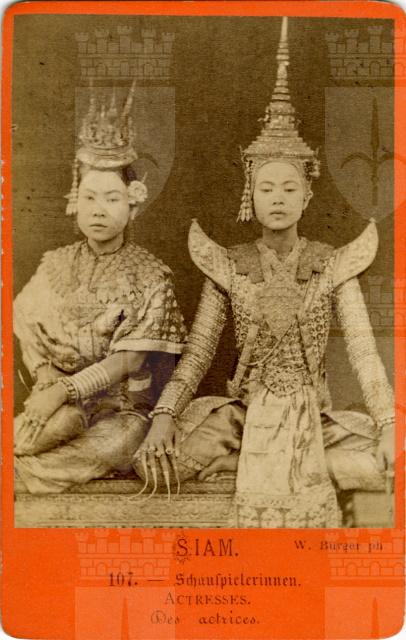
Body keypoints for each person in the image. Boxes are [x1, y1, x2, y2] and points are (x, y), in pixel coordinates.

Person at [134, 18, 394, 528]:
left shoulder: (332, 263)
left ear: (307, 195)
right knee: (156, 462)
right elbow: (198, 354)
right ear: (250, 194)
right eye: (267, 188)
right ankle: (259, 462)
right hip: (245, 412)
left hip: (312, 417)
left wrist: (388, 424)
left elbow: (365, 355)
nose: (278, 199)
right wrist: (164, 415)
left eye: (289, 188)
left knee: (383, 460)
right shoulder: (228, 264)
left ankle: (248, 468)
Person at [14, 83, 187, 494]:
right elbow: (23, 320)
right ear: (76, 201)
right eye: (90, 198)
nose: (98, 210)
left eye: (111, 199)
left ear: (133, 204)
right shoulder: (54, 263)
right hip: (61, 398)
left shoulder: (151, 275)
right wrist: (45, 377)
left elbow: (129, 360)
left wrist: (63, 389)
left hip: (125, 410)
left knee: (103, 449)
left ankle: (20, 480)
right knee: (22, 436)